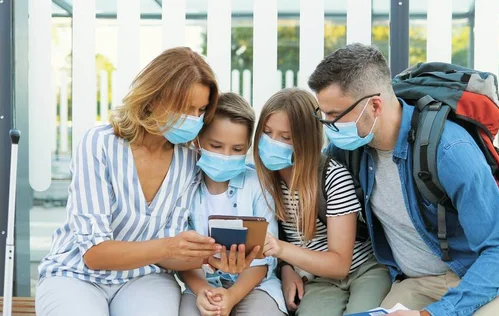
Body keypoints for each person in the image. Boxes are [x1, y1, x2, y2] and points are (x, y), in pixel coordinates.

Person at [308, 43, 499, 316]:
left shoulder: (449, 150)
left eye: (335, 116)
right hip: (415, 284)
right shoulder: (347, 150)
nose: (329, 126)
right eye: (323, 115)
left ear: (374, 106)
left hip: (485, 280)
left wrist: (433, 314)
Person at [36, 47, 223, 316]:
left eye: (200, 110)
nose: (192, 119)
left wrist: (208, 258)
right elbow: (94, 254)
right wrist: (170, 246)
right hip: (76, 273)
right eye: (184, 108)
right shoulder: (99, 143)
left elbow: (172, 254)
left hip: (145, 278)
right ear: (153, 97)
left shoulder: (190, 159)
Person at [255, 88, 391, 316]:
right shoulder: (265, 182)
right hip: (318, 279)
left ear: (305, 140)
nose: (272, 142)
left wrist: (280, 250)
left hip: (363, 270)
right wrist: (287, 270)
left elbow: (339, 264)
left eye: (285, 137)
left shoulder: (332, 177)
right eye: (267, 132)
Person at [179, 92, 286, 316]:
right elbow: (182, 259)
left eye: (237, 149)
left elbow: (264, 259)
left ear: (247, 146)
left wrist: (231, 297)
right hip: (202, 283)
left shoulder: (257, 185)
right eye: (216, 145)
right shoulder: (184, 185)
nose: (226, 156)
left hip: (254, 286)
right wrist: (205, 292)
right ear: (198, 140)